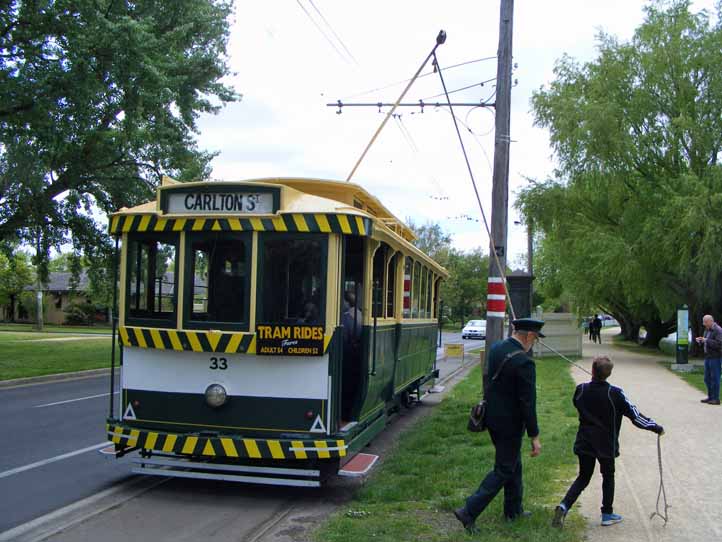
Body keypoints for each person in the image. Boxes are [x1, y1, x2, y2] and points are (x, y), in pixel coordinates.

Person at [453, 318, 545, 533]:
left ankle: (513, 510)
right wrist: (534, 436)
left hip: (492, 418)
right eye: (536, 339)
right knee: (504, 469)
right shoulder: (524, 363)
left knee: (513, 464)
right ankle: (468, 511)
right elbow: (528, 403)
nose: (535, 344)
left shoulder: (496, 348)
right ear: (530, 336)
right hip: (510, 424)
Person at [552, 356, 664, 529]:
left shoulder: (581, 389)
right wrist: (655, 427)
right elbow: (635, 416)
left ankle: (564, 506)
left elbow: (577, 402)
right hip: (606, 444)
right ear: (609, 373)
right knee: (608, 476)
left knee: (583, 477)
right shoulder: (615, 394)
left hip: (585, 441)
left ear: (592, 370)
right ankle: (607, 513)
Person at [696, 314, 722, 405]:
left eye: (705, 322)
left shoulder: (718, 330)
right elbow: (706, 341)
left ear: (711, 321)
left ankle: (716, 399)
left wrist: (706, 340)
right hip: (708, 357)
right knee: (707, 378)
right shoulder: (707, 330)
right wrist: (700, 341)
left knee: (715, 378)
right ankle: (710, 397)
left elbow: (719, 344)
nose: (704, 324)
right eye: (703, 322)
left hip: (715, 357)